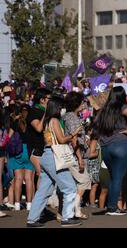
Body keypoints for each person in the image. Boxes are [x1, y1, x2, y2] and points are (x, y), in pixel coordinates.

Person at [26, 97, 82, 228]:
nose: (63, 109)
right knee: (70, 187)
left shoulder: (45, 121)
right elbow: (62, 140)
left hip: (46, 155)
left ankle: (32, 219)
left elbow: (40, 130)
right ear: (57, 108)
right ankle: (67, 217)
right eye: (61, 106)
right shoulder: (55, 120)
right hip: (54, 156)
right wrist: (73, 134)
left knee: (44, 190)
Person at [93, 86, 127, 216]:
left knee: (113, 177)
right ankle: (112, 208)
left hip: (106, 147)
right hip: (121, 144)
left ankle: (111, 206)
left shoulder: (104, 110)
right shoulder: (121, 107)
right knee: (117, 177)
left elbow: (95, 124)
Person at [63, 92, 91, 219]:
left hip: (73, 153)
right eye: (82, 102)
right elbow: (73, 139)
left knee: (72, 184)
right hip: (74, 154)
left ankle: (69, 210)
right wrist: (80, 158)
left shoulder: (70, 116)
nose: (83, 104)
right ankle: (76, 209)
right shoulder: (72, 117)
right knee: (84, 181)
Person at [4, 105, 35, 211]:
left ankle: (17, 204)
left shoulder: (15, 123)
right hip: (29, 151)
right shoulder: (32, 123)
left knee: (18, 179)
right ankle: (29, 204)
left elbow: (8, 137)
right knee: (29, 179)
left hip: (17, 151)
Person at [25, 88, 52, 185]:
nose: (51, 101)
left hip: (46, 147)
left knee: (47, 174)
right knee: (42, 174)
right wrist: (46, 113)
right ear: (42, 99)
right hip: (36, 148)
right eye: (49, 98)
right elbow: (38, 128)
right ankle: (39, 199)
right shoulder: (34, 111)